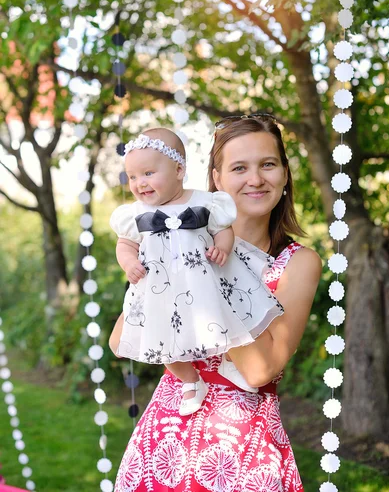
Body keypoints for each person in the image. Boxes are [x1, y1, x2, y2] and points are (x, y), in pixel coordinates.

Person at [111, 115, 322, 492]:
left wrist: (211, 277)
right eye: (239, 168)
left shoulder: (297, 263)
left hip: (242, 447)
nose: (255, 179)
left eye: (268, 165)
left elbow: (260, 371)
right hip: (167, 433)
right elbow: (124, 336)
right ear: (217, 179)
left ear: (285, 175)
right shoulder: (172, 240)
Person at [109, 127, 284, 416]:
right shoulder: (135, 214)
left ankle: (230, 363)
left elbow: (222, 230)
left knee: (225, 317)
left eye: (149, 174)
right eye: (133, 177)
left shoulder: (203, 201)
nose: (140, 183)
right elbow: (125, 244)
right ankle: (190, 379)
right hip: (163, 289)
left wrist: (223, 248)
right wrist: (129, 263)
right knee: (162, 341)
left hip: (204, 280)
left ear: (179, 170)